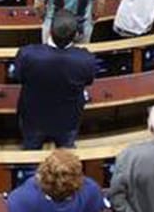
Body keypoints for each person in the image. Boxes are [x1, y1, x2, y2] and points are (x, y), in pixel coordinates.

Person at [12, 13, 97, 148]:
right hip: (68, 119)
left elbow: (17, 77)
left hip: (33, 117)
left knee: (30, 152)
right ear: (76, 35)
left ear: (50, 31)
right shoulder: (86, 59)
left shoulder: (27, 54)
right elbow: (88, 81)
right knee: (65, 159)